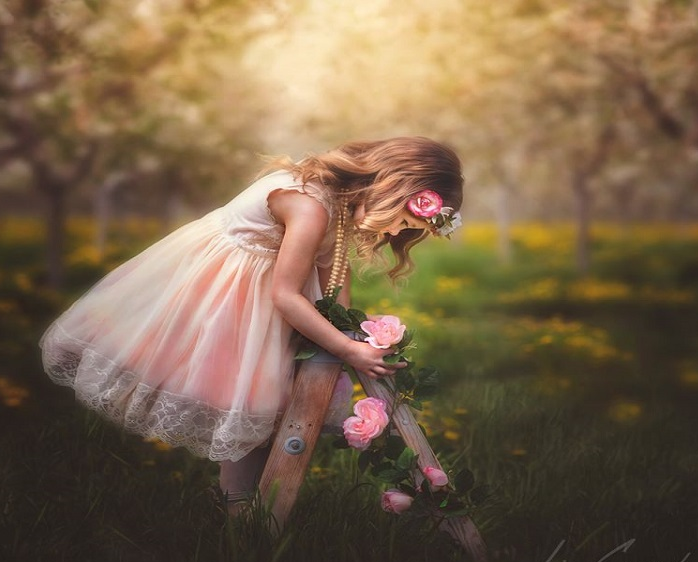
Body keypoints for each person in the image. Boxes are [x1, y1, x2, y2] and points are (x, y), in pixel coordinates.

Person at [38, 136, 464, 510]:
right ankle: (238, 503)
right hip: (227, 292)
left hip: (265, 295)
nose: (394, 233)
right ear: (394, 190)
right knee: (245, 396)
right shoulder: (309, 205)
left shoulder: (336, 206)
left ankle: (246, 502)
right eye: (403, 221)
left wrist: (345, 326)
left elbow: (333, 267)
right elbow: (285, 295)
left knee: (269, 400)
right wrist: (347, 348)